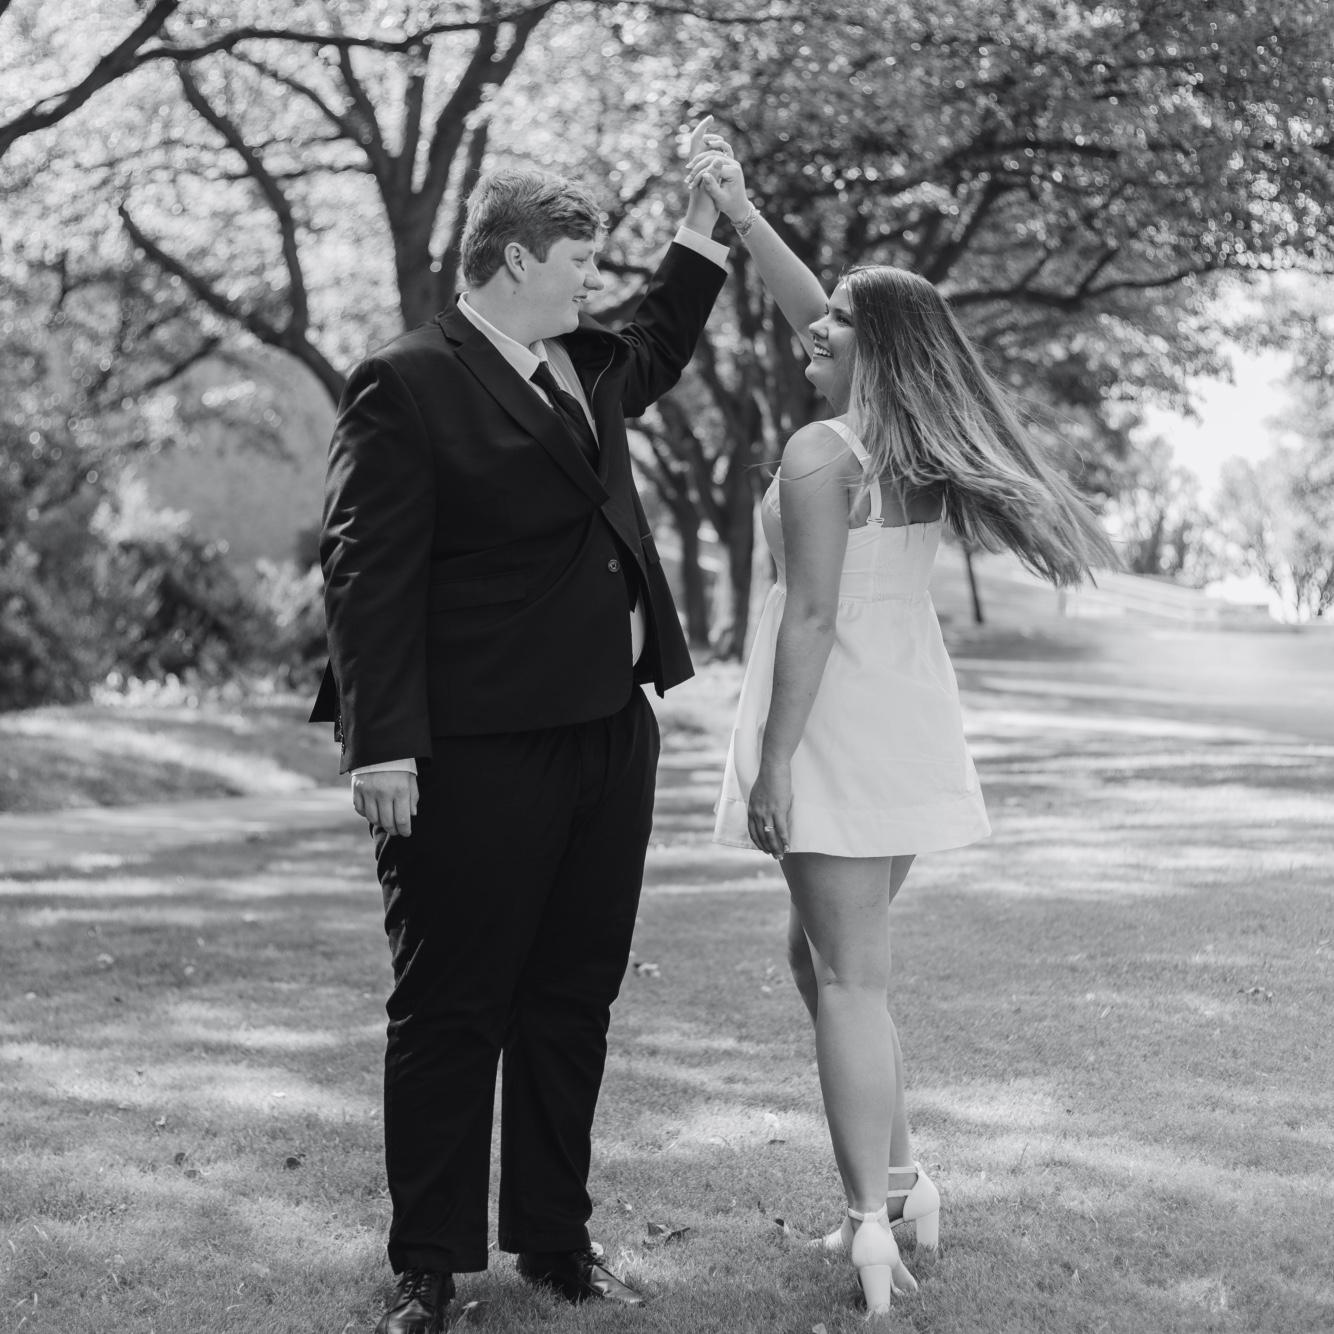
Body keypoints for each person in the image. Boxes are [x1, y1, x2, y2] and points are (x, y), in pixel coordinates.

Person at [310, 122, 730, 1334]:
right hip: (472, 749)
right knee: (451, 1005)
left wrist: (705, 224)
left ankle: (554, 1241)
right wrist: (380, 739)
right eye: (576, 264)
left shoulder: (584, 363)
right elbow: (366, 570)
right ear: (511, 261)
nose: (590, 285)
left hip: (607, 732)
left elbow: (660, 333)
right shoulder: (407, 379)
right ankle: (428, 1266)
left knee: (570, 997)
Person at [687, 145, 1117, 1314]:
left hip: (833, 723)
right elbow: (829, 319)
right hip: (903, 719)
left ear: (873, 351)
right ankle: (904, 1180)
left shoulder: (819, 452)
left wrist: (773, 762)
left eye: (836, 320)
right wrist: (740, 214)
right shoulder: (911, 448)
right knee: (831, 964)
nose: (811, 326)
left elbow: (810, 615)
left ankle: (867, 1223)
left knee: (845, 977)